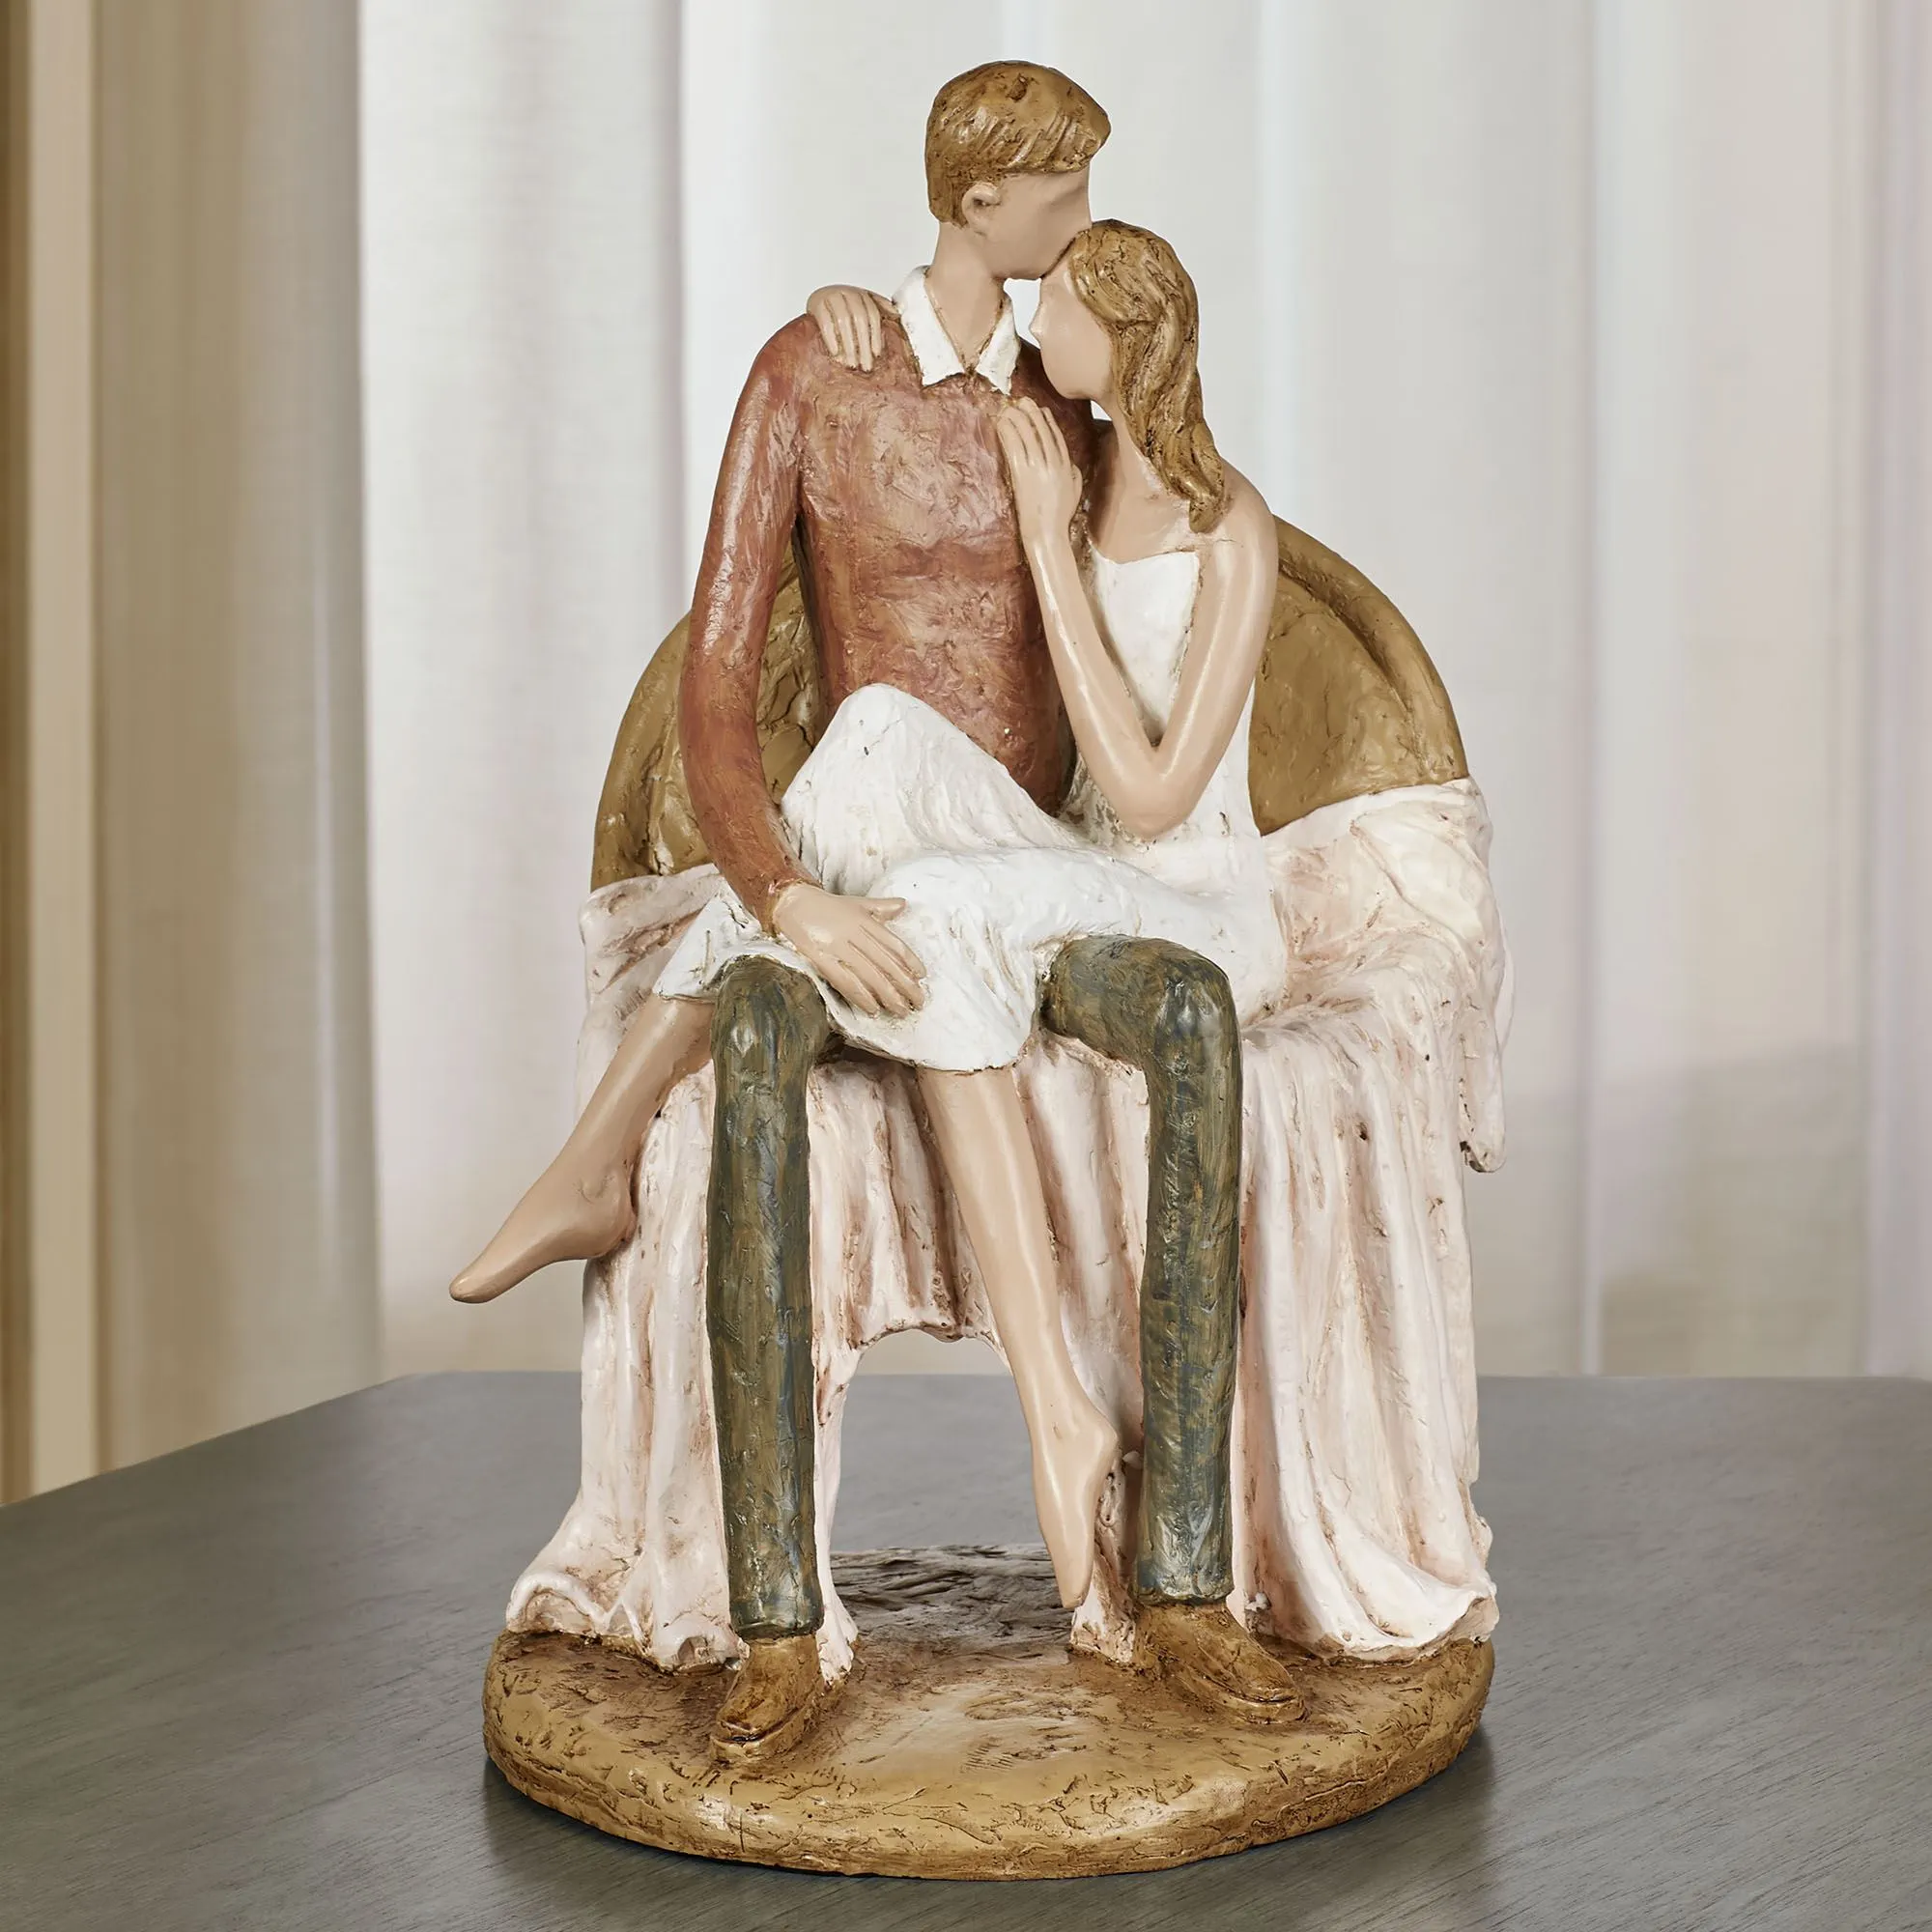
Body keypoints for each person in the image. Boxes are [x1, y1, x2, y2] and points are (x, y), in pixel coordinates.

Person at [453, 63, 1294, 1764]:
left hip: (1026, 863)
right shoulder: (816, 370)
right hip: (887, 886)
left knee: (886, 747)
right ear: (982, 200)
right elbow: (714, 681)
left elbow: (1171, 558)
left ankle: (1180, 1577)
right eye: (1062, 198)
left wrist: (804, 882)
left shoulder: (1069, 395)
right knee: (818, 924)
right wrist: (783, 895)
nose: (1084, 232)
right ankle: (779, 1624)